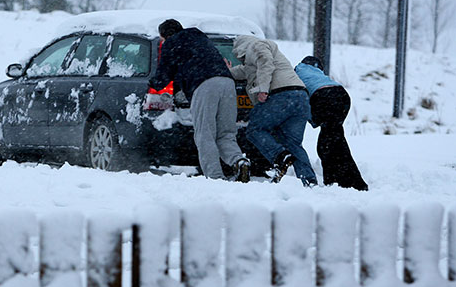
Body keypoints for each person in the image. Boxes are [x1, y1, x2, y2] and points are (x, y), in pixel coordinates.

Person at [148, 19, 251, 182]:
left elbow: (164, 73)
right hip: (227, 82)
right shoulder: (199, 37)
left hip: (204, 85)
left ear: (165, 35)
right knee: (226, 133)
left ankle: (215, 177)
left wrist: (153, 84)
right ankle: (239, 161)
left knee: (205, 134)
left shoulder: (171, 43)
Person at [228, 35, 317, 186]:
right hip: (301, 97)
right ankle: (309, 181)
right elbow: (243, 71)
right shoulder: (254, 61)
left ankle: (279, 157)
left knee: (254, 129)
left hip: (281, 96)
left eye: (241, 57)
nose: (241, 60)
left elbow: (265, 62)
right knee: (293, 143)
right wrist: (227, 70)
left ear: (241, 49)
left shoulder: (257, 45)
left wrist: (263, 88)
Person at [295, 56, 368, 191]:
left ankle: (347, 182)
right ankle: (342, 179)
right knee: (334, 139)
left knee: (328, 144)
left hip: (323, 97)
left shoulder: (297, 71)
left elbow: (298, 97)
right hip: (342, 96)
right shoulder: (318, 73)